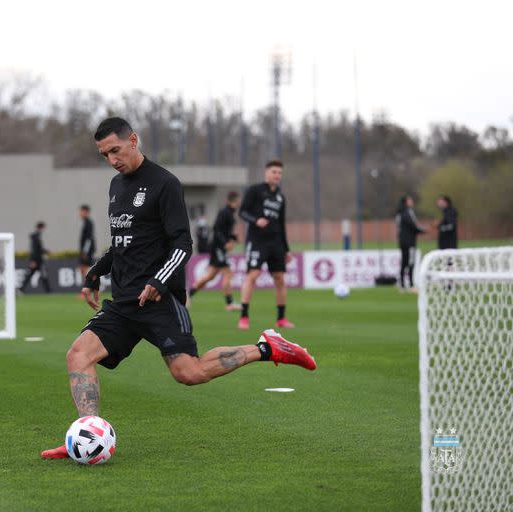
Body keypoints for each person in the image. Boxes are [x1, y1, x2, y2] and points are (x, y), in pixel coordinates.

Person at [40, 117, 316, 460]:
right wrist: (96, 272)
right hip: (124, 303)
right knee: (78, 356)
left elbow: (182, 243)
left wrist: (159, 281)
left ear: (133, 140)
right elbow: (122, 243)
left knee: (190, 373)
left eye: (115, 150)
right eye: (105, 154)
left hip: (160, 300)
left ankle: (267, 348)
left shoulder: (164, 183)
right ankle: (87, 436)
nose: (112, 159)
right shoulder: (116, 186)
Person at [237, 160, 293, 331]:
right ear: (266, 173)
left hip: (276, 243)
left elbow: (282, 223)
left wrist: (286, 248)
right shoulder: (255, 190)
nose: (277, 175)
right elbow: (242, 212)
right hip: (257, 241)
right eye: (274, 172)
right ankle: (244, 316)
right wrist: (256, 220)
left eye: (279, 173)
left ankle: (281, 318)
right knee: (252, 275)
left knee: (280, 279)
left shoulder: (280, 197)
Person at [188, 191, 241, 311]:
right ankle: (229, 303)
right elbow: (217, 230)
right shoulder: (225, 213)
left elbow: (224, 231)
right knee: (228, 273)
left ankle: (189, 294)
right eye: (237, 201)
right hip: (218, 248)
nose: (238, 203)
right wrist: (225, 242)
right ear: (234, 201)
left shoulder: (230, 214)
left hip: (219, 248)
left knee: (210, 276)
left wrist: (233, 238)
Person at [395, 195, 426, 291]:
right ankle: (411, 284)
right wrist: (423, 230)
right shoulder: (408, 212)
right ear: (406, 202)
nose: (412, 201)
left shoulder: (399, 214)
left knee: (404, 262)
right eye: (410, 200)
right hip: (410, 242)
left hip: (402, 241)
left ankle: (402, 284)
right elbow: (413, 225)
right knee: (410, 262)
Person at [18, 221, 51, 293]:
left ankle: (48, 291)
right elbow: (34, 250)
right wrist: (33, 260)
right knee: (32, 275)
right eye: (43, 228)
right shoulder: (36, 237)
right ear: (41, 228)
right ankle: (20, 289)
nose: (43, 230)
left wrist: (45, 251)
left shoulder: (37, 236)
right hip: (37, 261)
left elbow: (39, 249)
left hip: (39, 261)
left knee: (43, 275)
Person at [78, 205, 96, 281]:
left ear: (86, 212)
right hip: (86, 250)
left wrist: (85, 251)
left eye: (81, 211)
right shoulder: (86, 222)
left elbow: (89, 239)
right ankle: (89, 288)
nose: (80, 213)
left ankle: (94, 286)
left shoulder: (88, 223)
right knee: (83, 268)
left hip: (87, 250)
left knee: (84, 268)